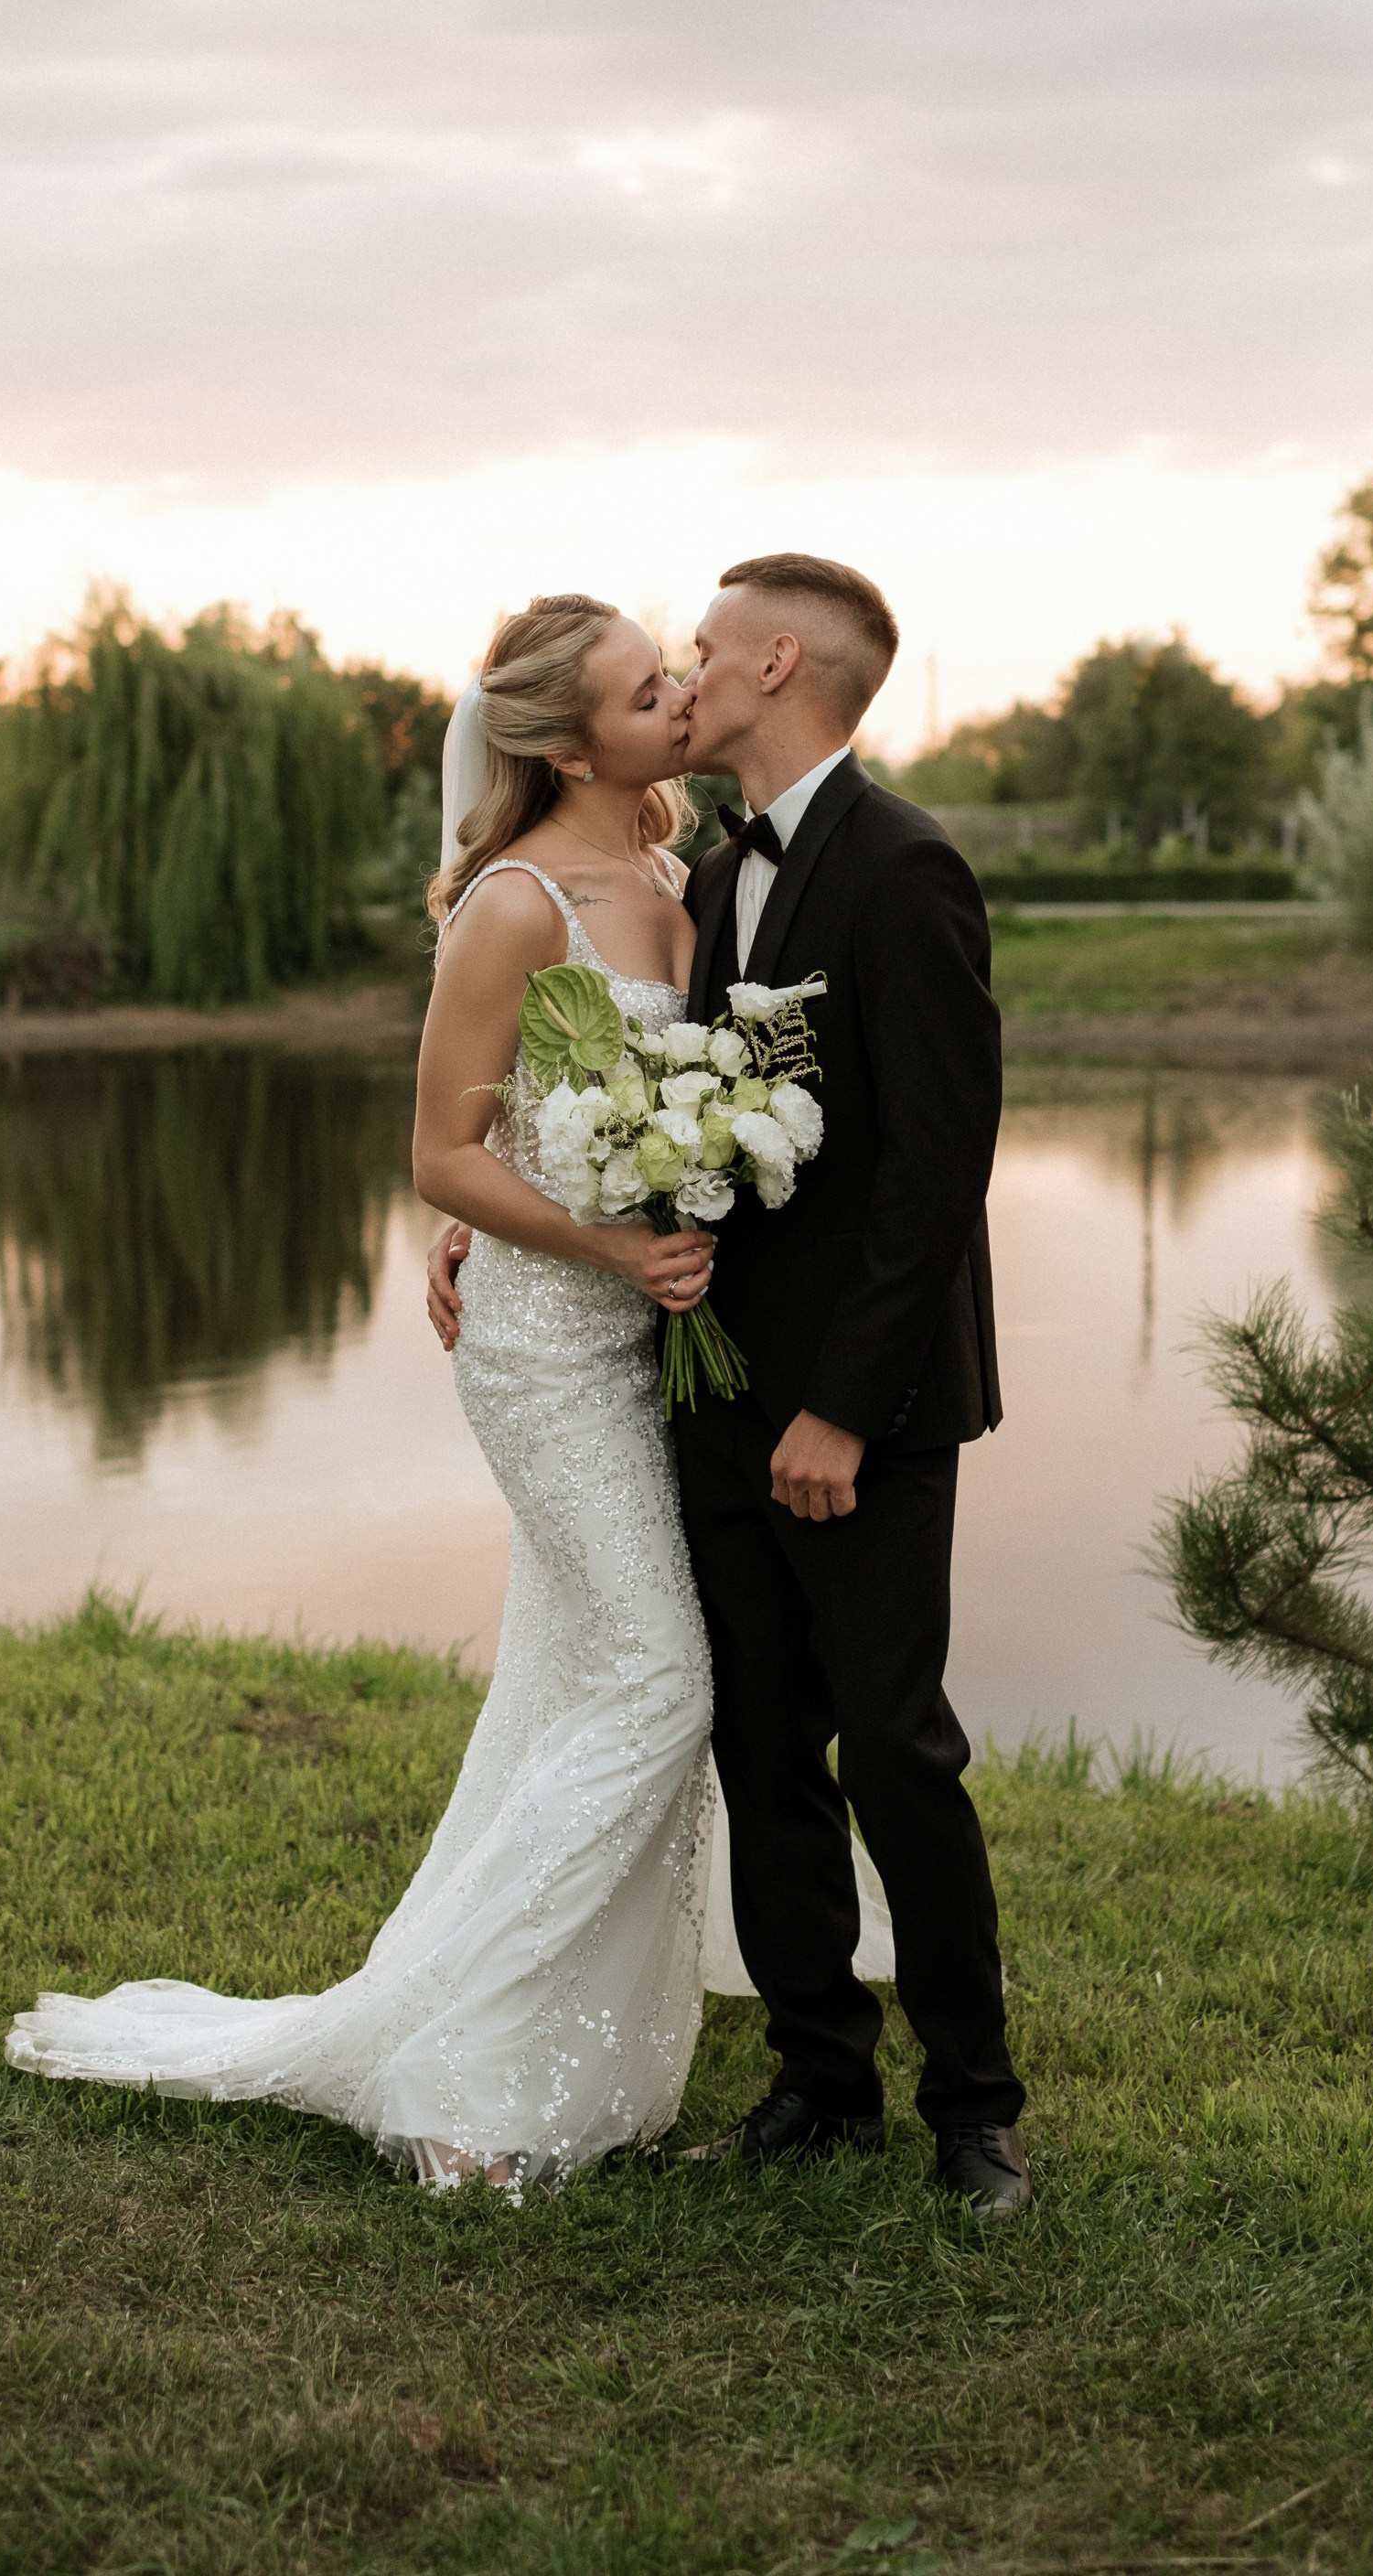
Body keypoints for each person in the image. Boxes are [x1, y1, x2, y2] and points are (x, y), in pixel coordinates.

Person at [6, 593, 723, 2191]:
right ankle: (457, 2064)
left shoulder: (686, 878)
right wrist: (592, 1244)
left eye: (671, 670)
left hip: (656, 1340)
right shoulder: (516, 906)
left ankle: (566, 2038)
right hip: (549, 1350)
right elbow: (441, 1150)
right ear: (563, 738)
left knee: (573, 1676)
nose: (678, 693)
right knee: (664, 1683)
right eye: (643, 684)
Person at [429, 555, 1031, 2218]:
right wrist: (491, 1226)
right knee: (759, 1741)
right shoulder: (688, 873)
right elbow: (607, 1101)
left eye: (701, 652)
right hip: (695, 1381)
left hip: (868, 1409)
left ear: (777, 665)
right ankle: (818, 2077)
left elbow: (934, 1178)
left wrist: (839, 1409)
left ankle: (975, 2112)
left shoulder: (908, 870)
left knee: (898, 1751)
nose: (685, 676)